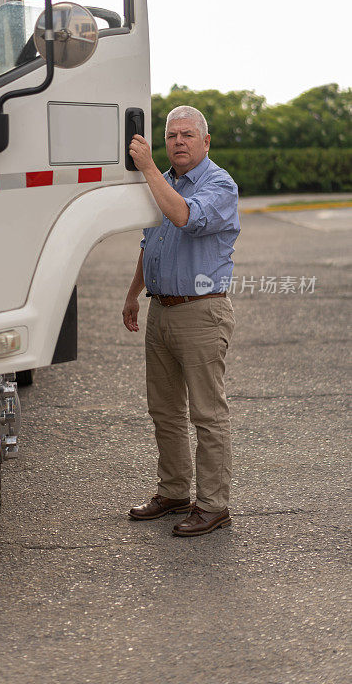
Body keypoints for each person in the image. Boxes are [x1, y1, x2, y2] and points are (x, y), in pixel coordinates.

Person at [123, 105, 240, 536]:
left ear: (206, 141)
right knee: (165, 411)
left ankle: (213, 505)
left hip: (201, 311)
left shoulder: (219, 185)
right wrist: (133, 294)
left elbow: (185, 217)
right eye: (172, 135)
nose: (179, 142)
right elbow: (148, 244)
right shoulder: (164, 183)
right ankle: (173, 492)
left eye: (188, 135)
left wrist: (149, 169)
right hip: (161, 310)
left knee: (207, 414)